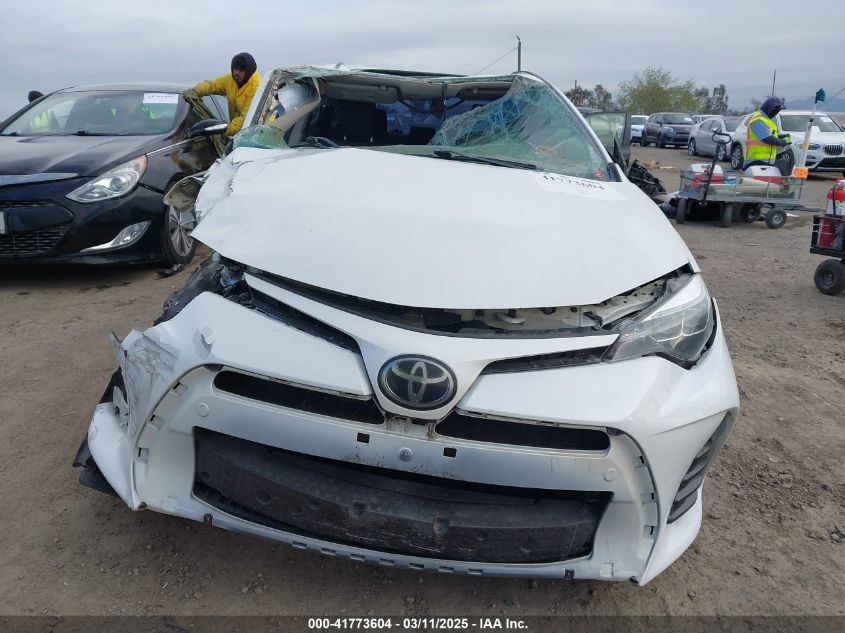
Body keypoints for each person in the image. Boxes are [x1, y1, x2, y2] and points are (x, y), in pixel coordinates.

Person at [185, 53, 259, 137]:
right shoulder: (231, 80)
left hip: (257, 134)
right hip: (239, 133)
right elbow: (212, 85)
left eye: (241, 70)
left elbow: (245, 119)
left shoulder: (256, 88)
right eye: (234, 68)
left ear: (249, 71)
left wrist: (221, 131)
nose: (236, 73)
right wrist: (194, 91)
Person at [744, 97, 791, 169]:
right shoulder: (758, 120)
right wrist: (783, 141)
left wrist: (779, 137)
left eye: (777, 111)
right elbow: (768, 139)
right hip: (756, 161)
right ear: (768, 108)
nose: (775, 113)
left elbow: (768, 136)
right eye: (774, 111)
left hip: (766, 162)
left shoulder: (766, 120)